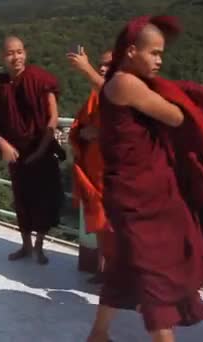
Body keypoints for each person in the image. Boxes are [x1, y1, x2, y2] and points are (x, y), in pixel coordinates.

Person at [87, 15, 203, 342]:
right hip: (139, 195)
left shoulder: (125, 82)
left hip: (147, 189)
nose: (158, 61)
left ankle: (98, 334)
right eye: (153, 53)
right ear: (130, 51)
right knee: (157, 277)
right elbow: (177, 116)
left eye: (161, 54)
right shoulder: (126, 83)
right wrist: (185, 99)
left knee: (126, 265)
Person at [0, 36, 65, 265]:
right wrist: (3, 143)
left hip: (41, 148)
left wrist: (41, 151)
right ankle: (26, 246)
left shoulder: (40, 79)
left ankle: (39, 246)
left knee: (44, 200)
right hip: (16, 153)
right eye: (10, 53)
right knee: (22, 199)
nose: (16, 57)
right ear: (3, 57)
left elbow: (53, 117)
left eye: (19, 52)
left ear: (25, 53)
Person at [67, 48, 114, 283]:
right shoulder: (95, 97)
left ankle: (121, 278)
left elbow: (130, 131)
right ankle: (103, 271)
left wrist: (101, 133)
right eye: (100, 64)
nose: (103, 68)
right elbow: (78, 124)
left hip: (119, 176)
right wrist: (82, 133)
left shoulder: (131, 94)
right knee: (101, 226)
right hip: (96, 172)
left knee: (118, 229)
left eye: (109, 64)